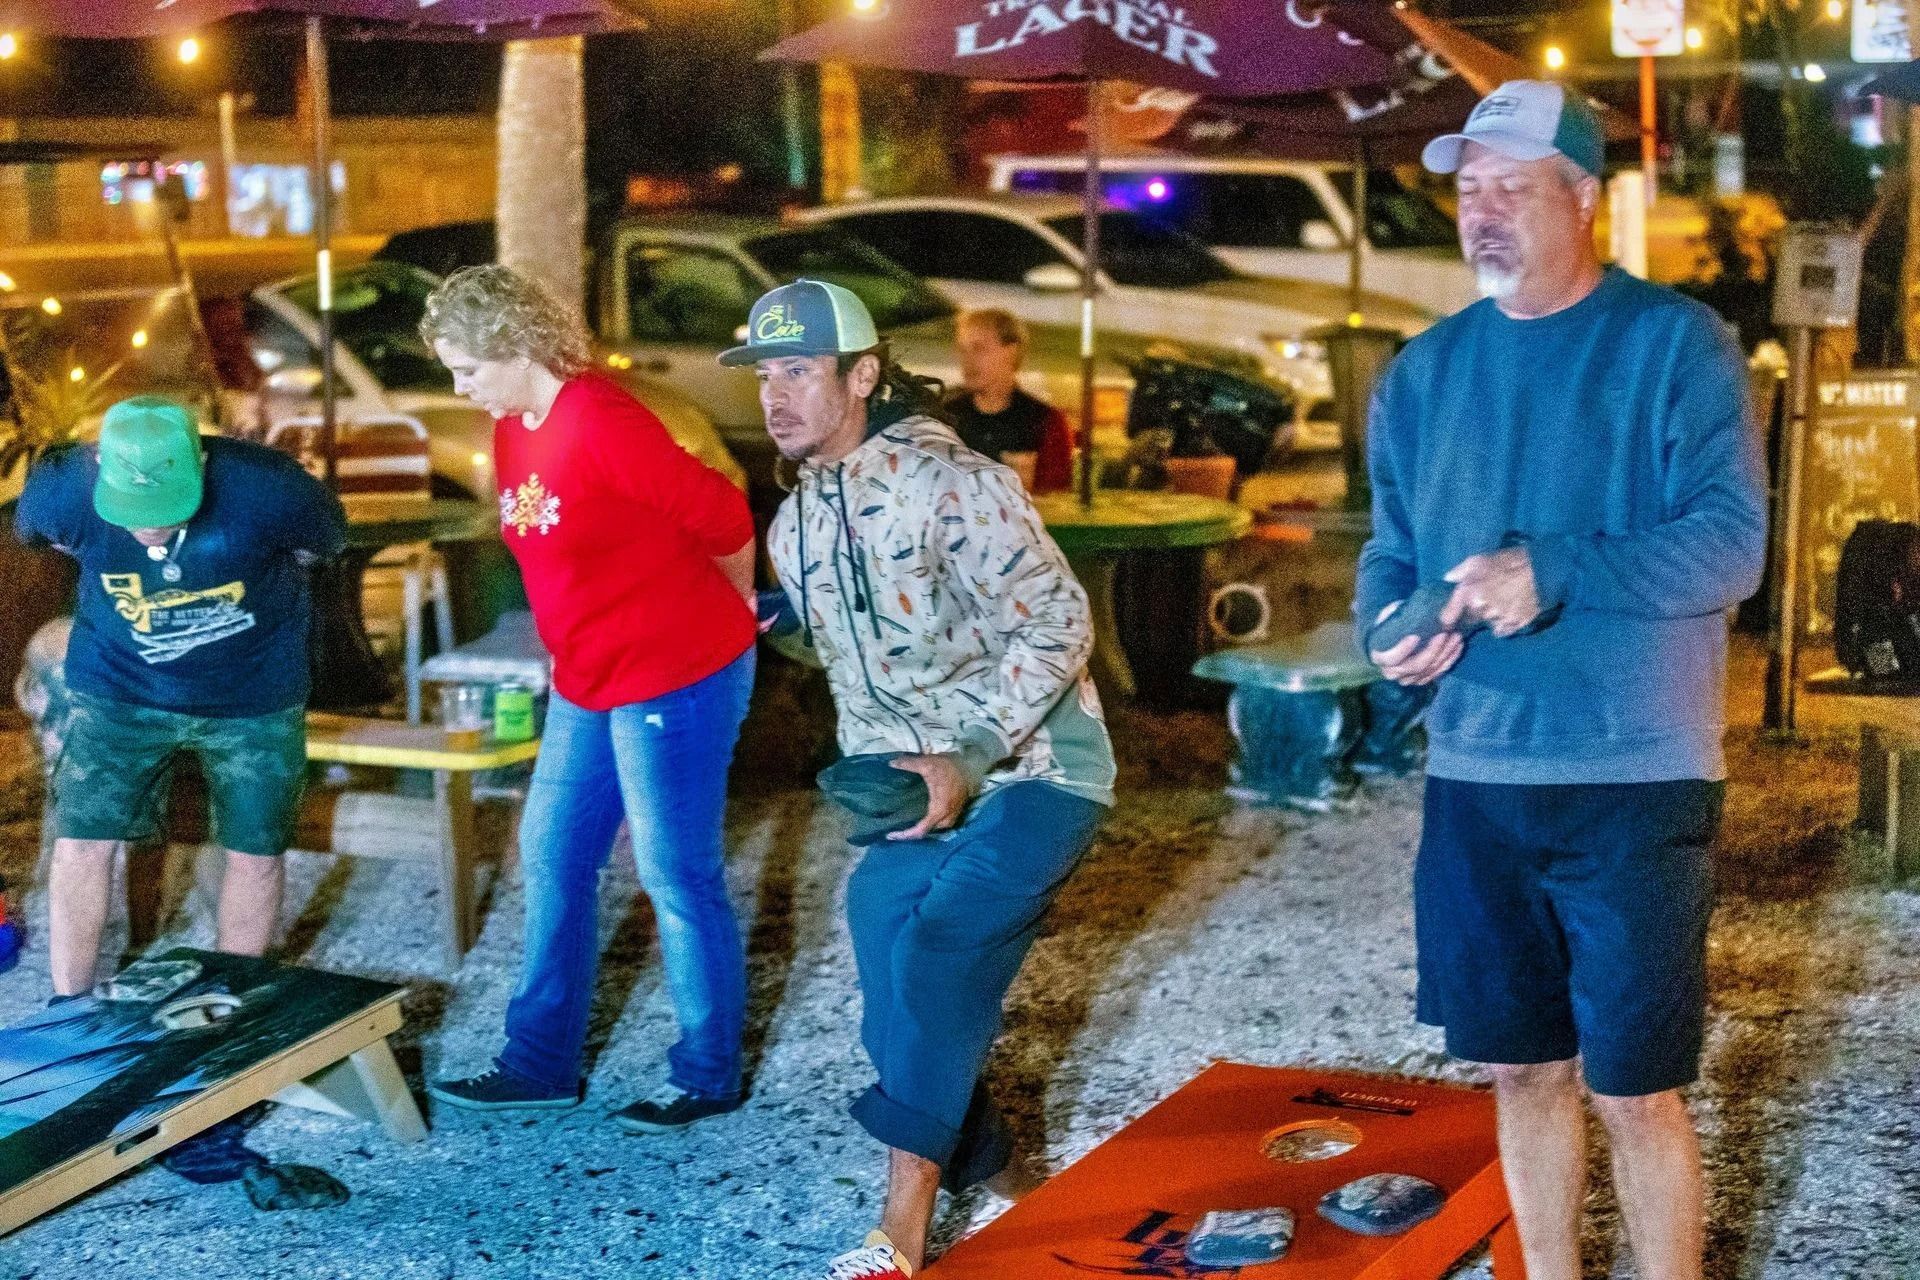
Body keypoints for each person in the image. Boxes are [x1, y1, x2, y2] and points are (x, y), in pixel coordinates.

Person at [1355, 82, 1767, 1280]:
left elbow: (1733, 545)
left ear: (1584, 196)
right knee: (1521, 1067)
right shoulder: (1423, 370)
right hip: (1476, 769)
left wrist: (1556, 569)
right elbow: (1389, 549)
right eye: (1468, 188)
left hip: (1636, 771)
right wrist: (1386, 627)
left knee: (1637, 1084)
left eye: (1511, 187)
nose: (1480, 211)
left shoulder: (1676, 345)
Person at [724, 280, 1115, 1279]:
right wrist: (774, 623)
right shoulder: (793, 524)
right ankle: (1003, 1173)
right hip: (915, 788)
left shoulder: (953, 482)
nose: (776, 394)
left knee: (939, 962)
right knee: (888, 1007)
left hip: (1035, 770)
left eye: (799, 369)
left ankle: (900, 1228)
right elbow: (852, 650)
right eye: (765, 374)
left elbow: (1060, 620)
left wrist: (969, 754)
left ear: (862, 375)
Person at [420, 266, 760, 1133]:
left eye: (467, 368)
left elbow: (724, 515)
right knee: (551, 853)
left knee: (674, 872)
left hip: (674, 672)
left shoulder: (603, 419)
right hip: (589, 677)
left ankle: (708, 1072)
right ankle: (539, 1064)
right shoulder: (511, 427)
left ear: (515, 346)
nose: (460, 388)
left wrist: (734, 613)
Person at [16, 394, 348, 1195]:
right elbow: (43, 536)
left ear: (202, 462)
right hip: (119, 688)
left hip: (254, 695)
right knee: (84, 840)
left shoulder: (269, 486)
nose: (151, 533)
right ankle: (69, 1008)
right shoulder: (61, 488)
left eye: (167, 512)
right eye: (134, 516)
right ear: (101, 469)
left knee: (256, 853)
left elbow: (325, 543)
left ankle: (230, 1008)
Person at [943, 308, 1074, 493]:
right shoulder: (943, 418)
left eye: (979, 348)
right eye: (962, 350)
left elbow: (1056, 498)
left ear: (1011, 353)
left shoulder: (1046, 423)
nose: (967, 360)